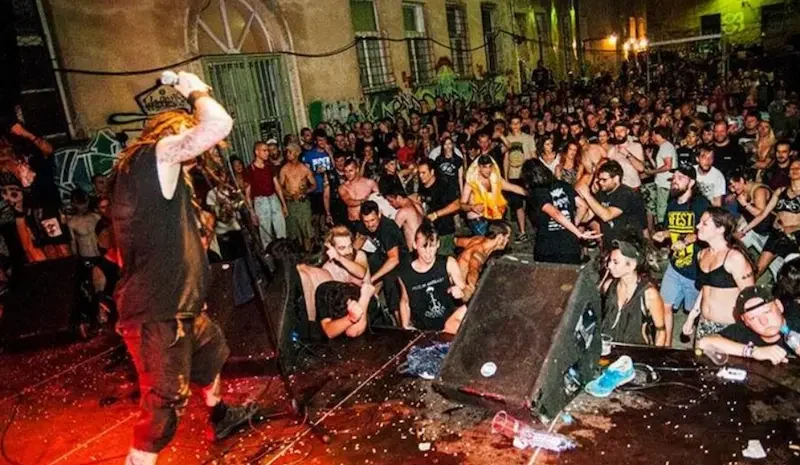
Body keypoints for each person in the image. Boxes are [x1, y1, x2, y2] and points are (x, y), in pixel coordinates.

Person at [110, 72, 255, 465]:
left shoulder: (150, 177)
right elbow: (218, 124)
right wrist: (195, 89)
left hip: (180, 307)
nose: (196, 155)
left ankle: (220, 416)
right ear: (173, 131)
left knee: (212, 351)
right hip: (158, 314)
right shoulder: (154, 156)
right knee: (164, 403)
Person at [652, 164, 710, 341]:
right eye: (674, 177)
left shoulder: (701, 204)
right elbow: (672, 229)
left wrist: (684, 241)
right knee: (664, 306)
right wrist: (665, 234)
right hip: (675, 266)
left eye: (680, 177)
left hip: (696, 270)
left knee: (696, 312)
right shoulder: (672, 205)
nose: (674, 181)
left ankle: (693, 337)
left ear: (691, 182)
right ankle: (666, 347)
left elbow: (706, 232)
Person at [682, 208, 755, 341]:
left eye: (704, 223)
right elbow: (705, 288)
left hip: (729, 328)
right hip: (705, 324)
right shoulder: (701, 254)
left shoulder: (734, 258)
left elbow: (751, 296)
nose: (697, 226)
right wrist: (692, 316)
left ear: (720, 229)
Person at [697, 285, 799, 365]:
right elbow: (704, 343)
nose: (763, 321)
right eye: (753, 318)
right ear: (745, 321)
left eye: (767, 312)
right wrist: (753, 351)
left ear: (779, 306)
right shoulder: (743, 331)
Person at [523, 159, 601, 264]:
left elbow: (555, 213)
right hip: (570, 246)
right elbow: (583, 206)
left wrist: (578, 233)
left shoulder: (537, 193)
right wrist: (573, 226)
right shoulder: (564, 185)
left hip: (549, 247)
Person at [398, 221, 467, 334]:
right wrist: (405, 325)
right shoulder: (405, 273)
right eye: (423, 247)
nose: (428, 252)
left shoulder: (448, 263)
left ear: (438, 244)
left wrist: (461, 292)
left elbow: (466, 291)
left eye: (432, 246)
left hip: (450, 327)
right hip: (423, 330)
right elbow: (405, 300)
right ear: (415, 245)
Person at [739, 159, 800, 278]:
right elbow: (763, 214)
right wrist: (744, 230)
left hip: (795, 236)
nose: (795, 170)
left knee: (795, 274)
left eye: (798, 167)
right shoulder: (780, 191)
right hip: (777, 234)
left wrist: (793, 227)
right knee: (757, 269)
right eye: (792, 168)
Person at [600, 238, 668, 346]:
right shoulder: (608, 285)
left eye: (616, 262)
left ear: (632, 266)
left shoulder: (649, 295)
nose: (609, 266)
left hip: (634, 350)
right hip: (607, 347)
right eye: (610, 261)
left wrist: (654, 354)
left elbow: (661, 332)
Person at [296, 225, 368, 323]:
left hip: (366, 304)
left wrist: (339, 258)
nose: (348, 251)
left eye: (350, 246)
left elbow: (361, 273)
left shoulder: (358, 255)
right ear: (331, 249)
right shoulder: (328, 268)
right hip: (346, 312)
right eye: (342, 248)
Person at [353, 201, 408, 316]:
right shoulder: (365, 223)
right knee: (363, 268)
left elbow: (394, 259)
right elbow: (359, 241)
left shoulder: (388, 228)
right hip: (382, 254)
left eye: (372, 220)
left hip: (400, 259)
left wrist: (372, 279)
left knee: (389, 283)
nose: (370, 225)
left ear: (379, 214)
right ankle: (368, 304)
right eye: (366, 221)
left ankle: (399, 318)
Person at [575, 160, 646, 248]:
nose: (600, 182)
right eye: (599, 179)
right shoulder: (601, 194)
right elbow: (586, 217)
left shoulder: (626, 194)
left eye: (604, 180)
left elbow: (606, 216)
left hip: (627, 245)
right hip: (609, 243)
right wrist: (578, 201)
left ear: (616, 178)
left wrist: (587, 195)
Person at [461, 155, 527, 235]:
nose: (488, 170)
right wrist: (472, 207)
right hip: (477, 219)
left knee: (503, 235)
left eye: (490, 166)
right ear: (479, 167)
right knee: (486, 240)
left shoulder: (496, 178)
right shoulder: (471, 182)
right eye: (485, 167)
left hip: (493, 217)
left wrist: (530, 194)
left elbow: (513, 188)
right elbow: (462, 205)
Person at [455, 221, 511, 301]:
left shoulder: (478, 239)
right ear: (500, 237)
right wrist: (471, 286)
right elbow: (473, 270)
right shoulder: (480, 253)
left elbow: (456, 241)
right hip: (460, 288)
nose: (508, 241)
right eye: (507, 237)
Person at [247, 141, 287, 248]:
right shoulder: (250, 169)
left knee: (281, 229)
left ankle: (284, 251)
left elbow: (277, 186)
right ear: (257, 152)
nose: (267, 153)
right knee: (265, 233)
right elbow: (248, 193)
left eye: (267, 151)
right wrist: (252, 212)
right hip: (260, 201)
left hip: (273, 198)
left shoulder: (270, 166)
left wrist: (283, 204)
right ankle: (269, 253)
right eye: (264, 151)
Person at [278, 143, 316, 251]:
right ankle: (298, 253)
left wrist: (305, 191)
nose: (288, 154)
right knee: (293, 230)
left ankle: (308, 252)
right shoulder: (284, 169)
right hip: (290, 203)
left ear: (297, 153)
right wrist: (288, 195)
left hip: (303, 203)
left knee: (306, 229)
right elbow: (279, 188)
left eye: (290, 152)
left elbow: (314, 185)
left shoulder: (304, 169)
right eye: (287, 152)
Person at [504, 116, 537, 242]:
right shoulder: (507, 139)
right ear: (510, 125)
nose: (515, 126)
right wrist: (506, 177)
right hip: (513, 174)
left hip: (526, 175)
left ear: (521, 124)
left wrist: (535, 173)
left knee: (532, 202)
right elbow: (506, 159)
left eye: (518, 123)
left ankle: (537, 228)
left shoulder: (528, 138)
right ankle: (522, 231)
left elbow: (533, 156)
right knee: (517, 204)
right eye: (513, 123)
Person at [417, 159, 460, 255]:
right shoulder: (422, 187)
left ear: (432, 172)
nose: (421, 176)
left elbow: (457, 204)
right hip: (429, 232)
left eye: (424, 173)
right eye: (419, 173)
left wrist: (436, 214)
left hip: (444, 232)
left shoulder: (443, 186)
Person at [727, 170, 772, 254]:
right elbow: (744, 214)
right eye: (731, 188)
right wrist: (737, 229)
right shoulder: (740, 191)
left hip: (768, 231)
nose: (733, 190)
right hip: (753, 227)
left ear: (741, 180)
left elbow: (761, 215)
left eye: (734, 186)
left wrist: (745, 204)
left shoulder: (759, 191)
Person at [338, 157, 379, 230]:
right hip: (354, 222)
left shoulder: (370, 183)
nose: (348, 174)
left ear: (357, 169)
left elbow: (379, 199)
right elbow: (349, 202)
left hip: (371, 221)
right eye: (346, 171)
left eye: (351, 170)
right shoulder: (343, 187)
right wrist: (365, 200)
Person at [384, 185, 424, 251]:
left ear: (399, 198)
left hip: (414, 250)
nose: (390, 204)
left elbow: (392, 235)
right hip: (423, 247)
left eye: (391, 201)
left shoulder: (403, 212)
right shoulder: (417, 205)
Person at [606, 122, 645, 189]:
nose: (618, 133)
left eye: (621, 130)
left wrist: (627, 154)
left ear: (627, 131)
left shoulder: (636, 146)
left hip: (633, 187)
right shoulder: (612, 150)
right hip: (618, 189)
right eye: (616, 131)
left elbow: (641, 168)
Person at [648, 126, 676, 220]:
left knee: (662, 208)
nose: (652, 137)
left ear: (658, 135)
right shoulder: (664, 146)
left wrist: (652, 172)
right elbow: (660, 166)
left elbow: (668, 166)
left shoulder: (666, 146)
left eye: (653, 135)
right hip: (662, 183)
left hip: (665, 184)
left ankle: (662, 225)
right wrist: (650, 158)